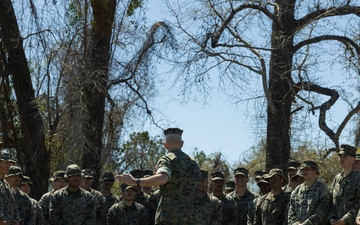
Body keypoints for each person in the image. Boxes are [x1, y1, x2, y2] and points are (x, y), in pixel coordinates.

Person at [116, 128, 202, 224]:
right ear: (182, 143)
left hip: (170, 218)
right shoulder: (194, 163)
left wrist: (136, 182)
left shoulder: (167, 159)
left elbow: (163, 178)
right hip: (192, 218)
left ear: (165, 145)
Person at [288, 160, 330, 225]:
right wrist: (295, 223)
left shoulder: (323, 190)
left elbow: (321, 213)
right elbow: (291, 212)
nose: (304, 171)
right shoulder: (296, 191)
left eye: (307, 169)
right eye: (303, 169)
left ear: (315, 171)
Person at [329, 144, 360, 225]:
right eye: (340, 156)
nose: (341, 159)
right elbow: (330, 201)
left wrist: (345, 220)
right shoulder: (337, 178)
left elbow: (358, 203)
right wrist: (331, 217)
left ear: (353, 159)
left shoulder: (358, 178)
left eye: (345, 156)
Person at [0, 149, 20, 225]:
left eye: (10, 163)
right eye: (5, 162)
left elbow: (14, 206)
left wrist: (17, 219)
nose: (8, 165)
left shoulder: (7, 186)